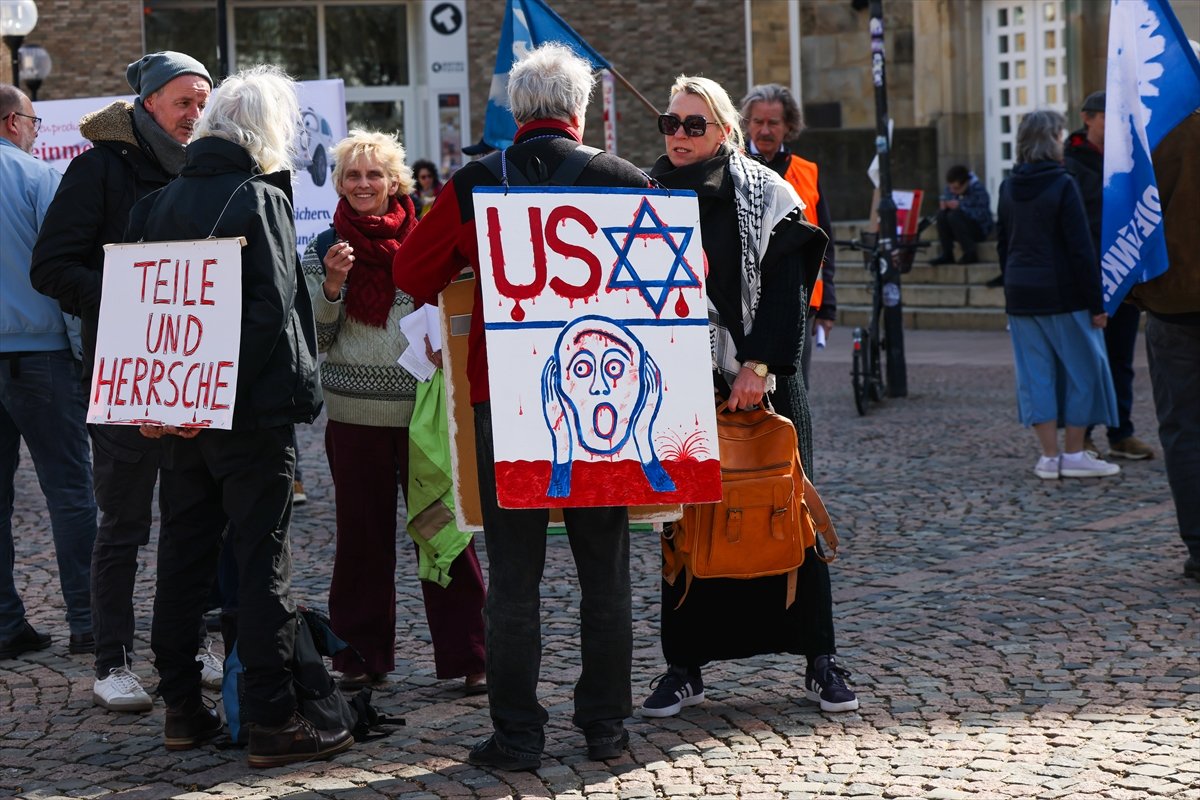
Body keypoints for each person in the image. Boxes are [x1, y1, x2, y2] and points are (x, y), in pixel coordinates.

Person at [393, 43, 648, 771]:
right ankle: (606, 727)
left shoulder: (477, 180)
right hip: (598, 393)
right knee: (605, 567)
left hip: (504, 396)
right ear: (579, 111)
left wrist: (474, 259)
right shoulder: (622, 179)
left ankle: (517, 736)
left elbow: (413, 268)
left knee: (514, 573)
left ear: (514, 110)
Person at [126, 64, 350, 767]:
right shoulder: (260, 197)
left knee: (184, 562)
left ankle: (183, 713)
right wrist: (215, 392)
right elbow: (270, 309)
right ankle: (274, 722)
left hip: (178, 417)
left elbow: (140, 316)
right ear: (268, 130)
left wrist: (171, 397)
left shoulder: (155, 203)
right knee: (262, 568)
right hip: (248, 417)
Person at [641, 75, 854, 721]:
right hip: (681, 388)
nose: (679, 135)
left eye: (693, 124)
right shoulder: (641, 197)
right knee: (684, 525)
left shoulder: (767, 193)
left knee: (788, 508)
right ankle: (684, 668)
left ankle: (820, 658)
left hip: (765, 377)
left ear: (725, 130)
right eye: (671, 124)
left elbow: (789, 283)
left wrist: (757, 365)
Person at [29, 51, 218, 712]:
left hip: (195, 368)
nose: (195, 114)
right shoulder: (99, 170)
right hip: (125, 369)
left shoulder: (209, 168)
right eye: (182, 102)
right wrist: (127, 295)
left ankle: (189, 644)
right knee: (124, 522)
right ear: (148, 105)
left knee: (196, 519)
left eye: (203, 101)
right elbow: (51, 268)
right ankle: (112, 660)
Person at [301, 130, 486, 691]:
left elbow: (461, 307)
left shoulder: (429, 238)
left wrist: (446, 344)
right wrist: (333, 284)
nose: (363, 184)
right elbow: (318, 337)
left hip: (424, 413)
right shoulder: (322, 246)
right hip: (354, 414)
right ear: (339, 183)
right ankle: (360, 656)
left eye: (373, 174)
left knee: (443, 528)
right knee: (361, 539)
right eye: (352, 175)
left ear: (394, 181)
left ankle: (470, 656)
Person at [0, 85, 97, 661]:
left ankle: (6, 623)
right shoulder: (37, 177)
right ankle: (87, 621)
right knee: (69, 490)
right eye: (34, 121)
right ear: (13, 122)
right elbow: (62, 270)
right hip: (39, 354)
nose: (37, 130)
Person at [996, 110, 1120, 480]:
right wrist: (1097, 304)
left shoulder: (1007, 186)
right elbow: (1080, 249)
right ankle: (1075, 451)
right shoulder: (1063, 184)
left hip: (1020, 291)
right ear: (1051, 140)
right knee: (1085, 371)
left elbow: (1003, 245)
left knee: (1036, 376)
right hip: (1062, 292)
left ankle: (1049, 456)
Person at [1129, 54, 1200, 581]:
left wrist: (1135, 294)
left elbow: (1129, 220)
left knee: (1182, 428)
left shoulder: (1155, 137)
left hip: (1174, 305)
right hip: (1173, 305)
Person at [1064, 91, 1155, 461]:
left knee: (1120, 358)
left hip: (1124, 271)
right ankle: (1081, 433)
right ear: (1088, 118)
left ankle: (1121, 432)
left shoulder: (1127, 158)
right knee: (1087, 359)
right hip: (1088, 273)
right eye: (1107, 116)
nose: (1114, 124)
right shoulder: (1070, 162)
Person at [740, 83, 837, 386]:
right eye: (758, 122)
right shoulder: (732, 165)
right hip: (745, 300)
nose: (765, 130)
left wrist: (828, 305)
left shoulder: (808, 172)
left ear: (789, 126)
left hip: (800, 300)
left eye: (773, 123)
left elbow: (825, 242)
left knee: (796, 390)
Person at [930, 164, 993, 267]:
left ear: (966, 183)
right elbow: (947, 199)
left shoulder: (978, 190)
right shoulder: (950, 189)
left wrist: (961, 207)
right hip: (956, 228)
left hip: (978, 229)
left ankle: (970, 252)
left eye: (956, 188)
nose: (953, 191)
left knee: (954, 215)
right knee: (941, 215)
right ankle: (947, 253)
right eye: (951, 188)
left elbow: (982, 215)